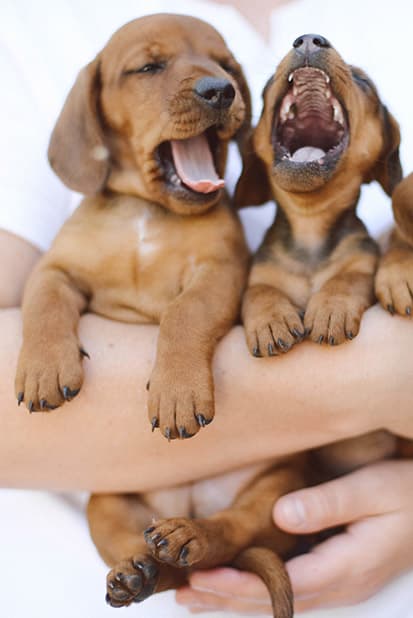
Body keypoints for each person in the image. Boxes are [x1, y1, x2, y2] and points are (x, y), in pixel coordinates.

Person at [0, 1, 412, 617]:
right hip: (59, 586)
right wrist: (383, 380)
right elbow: (54, 283)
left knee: (264, 497)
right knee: (108, 511)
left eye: (225, 71)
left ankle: (216, 542)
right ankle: (144, 570)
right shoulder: (31, 32)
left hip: (334, 541)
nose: (211, 83)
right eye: (151, 67)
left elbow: (224, 280)